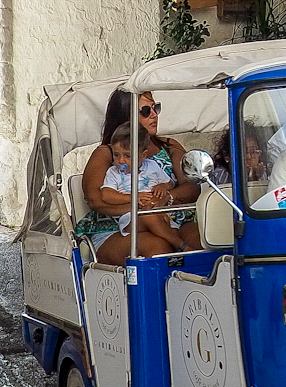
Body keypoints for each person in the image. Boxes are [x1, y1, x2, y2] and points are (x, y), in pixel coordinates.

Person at [79, 85, 200, 259]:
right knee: (159, 248)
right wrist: (142, 209)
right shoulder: (108, 153)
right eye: (145, 110)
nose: (154, 115)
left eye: (155, 108)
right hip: (118, 227)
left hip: (172, 219)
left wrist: (167, 198)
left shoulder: (169, 146)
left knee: (203, 239)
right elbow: (96, 200)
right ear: (126, 116)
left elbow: (192, 187)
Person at [95, 125, 186, 261]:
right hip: (131, 218)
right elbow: (106, 195)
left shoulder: (152, 167)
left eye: (127, 156)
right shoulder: (114, 172)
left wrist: (163, 187)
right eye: (116, 155)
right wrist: (133, 197)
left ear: (143, 155)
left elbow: (170, 183)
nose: (120, 161)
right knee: (148, 217)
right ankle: (182, 246)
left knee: (163, 223)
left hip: (158, 212)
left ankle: (179, 260)